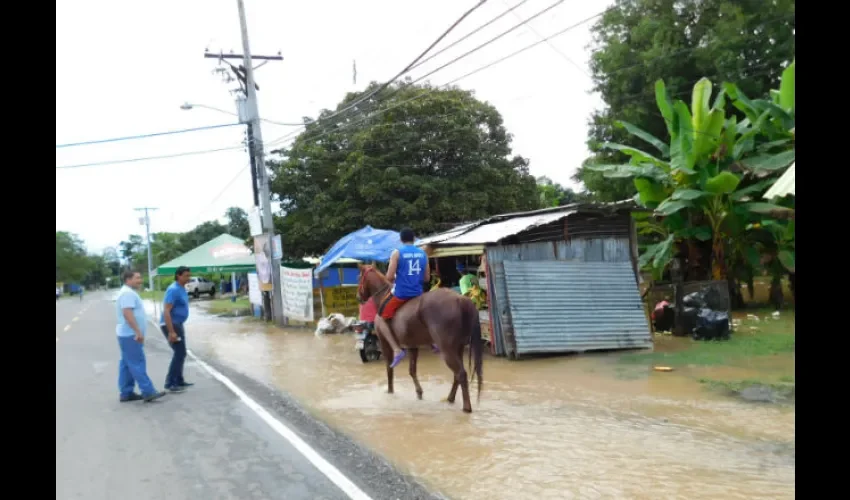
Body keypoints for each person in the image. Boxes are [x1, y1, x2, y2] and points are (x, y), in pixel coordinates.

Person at [377, 228, 434, 368]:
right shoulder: (423, 254)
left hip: (401, 294)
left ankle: (396, 350)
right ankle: (433, 342)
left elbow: (389, 277)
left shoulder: (397, 253)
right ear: (414, 239)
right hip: (418, 293)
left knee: (380, 318)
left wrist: (397, 277)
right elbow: (427, 278)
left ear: (401, 240)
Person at [115, 270, 165, 403]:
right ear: (128, 280)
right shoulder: (127, 294)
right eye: (137, 278)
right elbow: (127, 313)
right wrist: (137, 331)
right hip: (130, 334)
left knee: (126, 363)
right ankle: (148, 391)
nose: (140, 280)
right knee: (137, 363)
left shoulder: (128, 292)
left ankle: (126, 392)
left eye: (140, 277)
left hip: (126, 334)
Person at [160, 266, 193, 393]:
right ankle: (170, 382)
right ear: (178, 275)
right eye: (186, 275)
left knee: (181, 353)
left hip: (178, 323)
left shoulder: (181, 288)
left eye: (189, 275)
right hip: (171, 324)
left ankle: (179, 379)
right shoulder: (173, 289)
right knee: (179, 353)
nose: (188, 278)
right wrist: (171, 331)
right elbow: (166, 311)